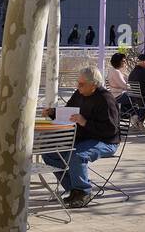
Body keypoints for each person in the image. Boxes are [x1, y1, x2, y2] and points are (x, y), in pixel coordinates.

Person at [41, 66, 120, 208]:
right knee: (49, 153)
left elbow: (110, 130)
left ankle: (83, 191)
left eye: (82, 84)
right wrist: (53, 112)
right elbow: (68, 110)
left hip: (105, 141)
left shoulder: (106, 99)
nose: (78, 86)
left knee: (76, 155)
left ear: (94, 85)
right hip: (83, 138)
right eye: (78, 83)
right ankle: (73, 189)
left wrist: (84, 122)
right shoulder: (79, 94)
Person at [106, 52, 140, 130]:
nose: (125, 62)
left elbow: (125, 82)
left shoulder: (113, 70)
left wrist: (124, 72)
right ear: (118, 61)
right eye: (123, 61)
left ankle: (134, 119)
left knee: (133, 102)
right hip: (118, 96)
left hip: (116, 95)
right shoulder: (116, 72)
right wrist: (130, 86)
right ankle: (137, 120)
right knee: (140, 99)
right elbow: (124, 85)